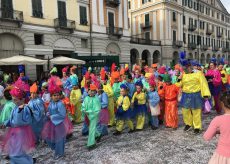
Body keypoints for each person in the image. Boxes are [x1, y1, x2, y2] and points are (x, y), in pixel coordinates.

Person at [1, 79, 36, 164]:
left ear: (23, 99)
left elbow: (18, 122)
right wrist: (5, 123)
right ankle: (26, 161)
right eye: (13, 99)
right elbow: (12, 119)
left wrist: (19, 112)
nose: (14, 101)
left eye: (16, 100)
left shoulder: (24, 108)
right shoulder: (16, 107)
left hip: (21, 133)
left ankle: (28, 162)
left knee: (15, 154)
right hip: (15, 132)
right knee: (16, 151)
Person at [177, 52, 211, 134]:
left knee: (196, 111)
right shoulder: (183, 74)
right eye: (183, 68)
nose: (183, 69)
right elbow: (178, 85)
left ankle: (197, 126)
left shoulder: (198, 73)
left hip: (196, 95)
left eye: (185, 67)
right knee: (185, 110)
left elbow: (204, 83)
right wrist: (178, 79)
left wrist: (205, 94)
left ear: (189, 67)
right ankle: (188, 124)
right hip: (186, 95)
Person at [41, 77, 68, 160]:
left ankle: (60, 153)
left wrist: (52, 116)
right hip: (52, 124)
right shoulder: (51, 103)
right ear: (51, 96)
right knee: (50, 138)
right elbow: (48, 111)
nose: (56, 97)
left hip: (59, 124)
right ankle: (56, 150)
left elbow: (62, 115)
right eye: (54, 95)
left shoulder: (60, 104)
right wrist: (47, 114)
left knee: (59, 139)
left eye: (57, 95)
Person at [203, 91, 230, 164]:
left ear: (222, 104)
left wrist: (217, 131)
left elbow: (206, 137)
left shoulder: (218, 120)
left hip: (223, 156)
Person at [81, 84, 102, 150]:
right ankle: (98, 135)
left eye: (94, 91)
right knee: (91, 127)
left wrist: (89, 112)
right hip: (87, 116)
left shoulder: (96, 99)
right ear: (88, 91)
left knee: (91, 129)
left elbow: (97, 109)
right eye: (91, 90)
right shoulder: (86, 98)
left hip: (93, 116)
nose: (92, 92)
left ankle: (91, 143)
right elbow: (83, 105)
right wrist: (84, 110)